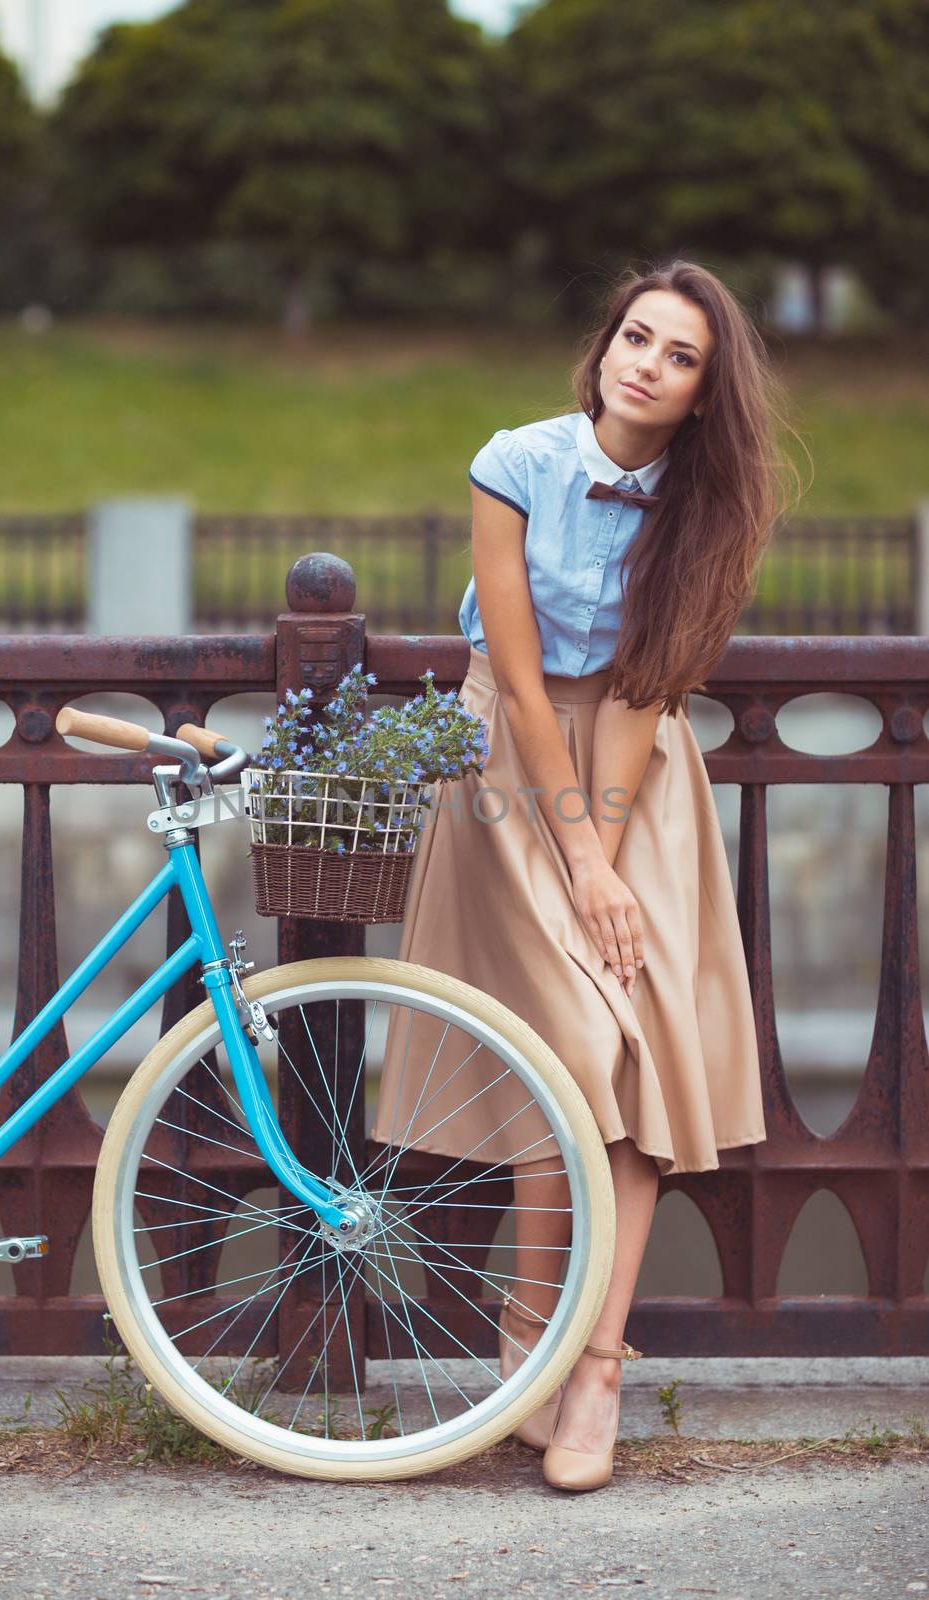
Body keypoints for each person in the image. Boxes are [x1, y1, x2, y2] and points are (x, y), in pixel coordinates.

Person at [371, 257, 800, 1492]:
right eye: (635, 336)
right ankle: (529, 1344)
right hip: (508, 767)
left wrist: (602, 867)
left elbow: (635, 694)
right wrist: (568, 861)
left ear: (700, 396)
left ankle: (593, 1359)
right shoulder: (514, 462)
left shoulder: (708, 511)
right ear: (604, 343)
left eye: (677, 357)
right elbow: (514, 683)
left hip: (630, 774)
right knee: (554, 1039)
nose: (645, 363)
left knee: (630, 1040)